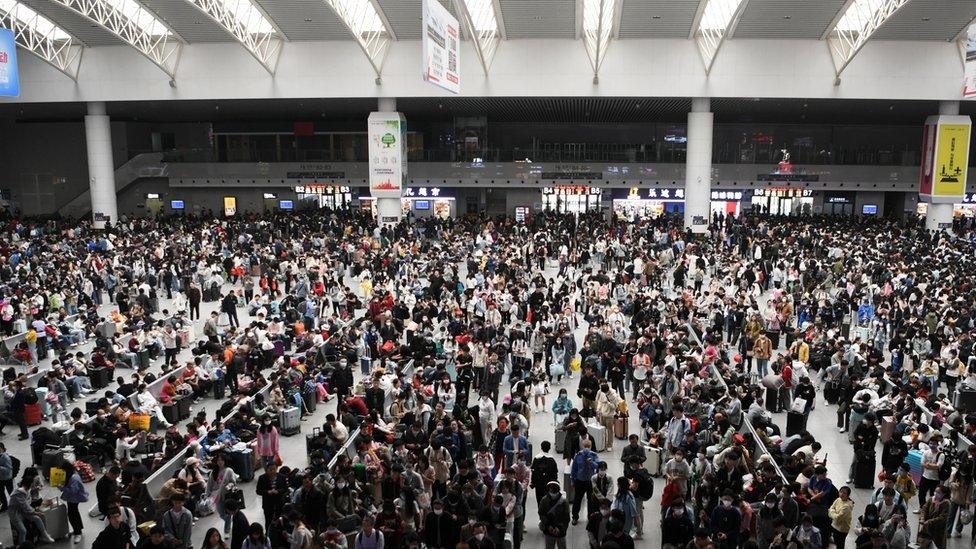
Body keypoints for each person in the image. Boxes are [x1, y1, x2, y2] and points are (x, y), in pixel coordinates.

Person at [8, 476, 55, 545]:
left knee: (38, 518)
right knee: (23, 531)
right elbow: (25, 506)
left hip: (23, 511)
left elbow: (28, 503)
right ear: (29, 484)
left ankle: (44, 535)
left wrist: (39, 507)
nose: (33, 486)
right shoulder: (19, 493)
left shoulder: (25, 490)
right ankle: (23, 546)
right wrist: (35, 512)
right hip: (15, 513)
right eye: (32, 484)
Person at [569, 438, 601, 524]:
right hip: (580, 481)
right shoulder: (578, 456)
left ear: (590, 447)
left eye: (588, 446)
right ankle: (575, 517)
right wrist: (572, 480)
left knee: (590, 500)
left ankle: (590, 516)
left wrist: (591, 462)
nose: (587, 448)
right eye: (585, 446)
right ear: (582, 446)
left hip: (590, 481)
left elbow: (598, 467)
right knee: (577, 499)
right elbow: (574, 469)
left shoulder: (594, 455)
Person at [60, 459, 90, 543]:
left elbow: (72, 491)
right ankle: (78, 530)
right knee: (75, 513)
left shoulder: (74, 478)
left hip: (74, 498)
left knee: (72, 515)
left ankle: (78, 533)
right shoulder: (72, 475)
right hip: (72, 499)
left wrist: (61, 487)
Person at [538, 480, 570, 549]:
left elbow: (566, 517)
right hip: (549, 530)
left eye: (554, 489)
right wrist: (548, 525)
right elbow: (541, 514)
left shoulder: (564, 501)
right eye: (551, 489)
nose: (552, 492)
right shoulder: (544, 500)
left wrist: (559, 528)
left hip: (560, 532)